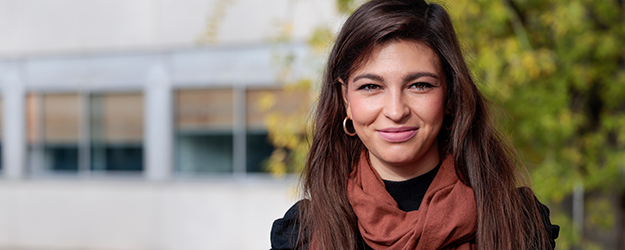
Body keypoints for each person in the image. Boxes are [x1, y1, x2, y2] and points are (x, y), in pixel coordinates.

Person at [270, 0, 560, 249]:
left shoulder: (518, 223)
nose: (396, 111)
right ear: (345, 98)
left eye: (419, 85)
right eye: (371, 87)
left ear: (450, 95)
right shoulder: (303, 235)